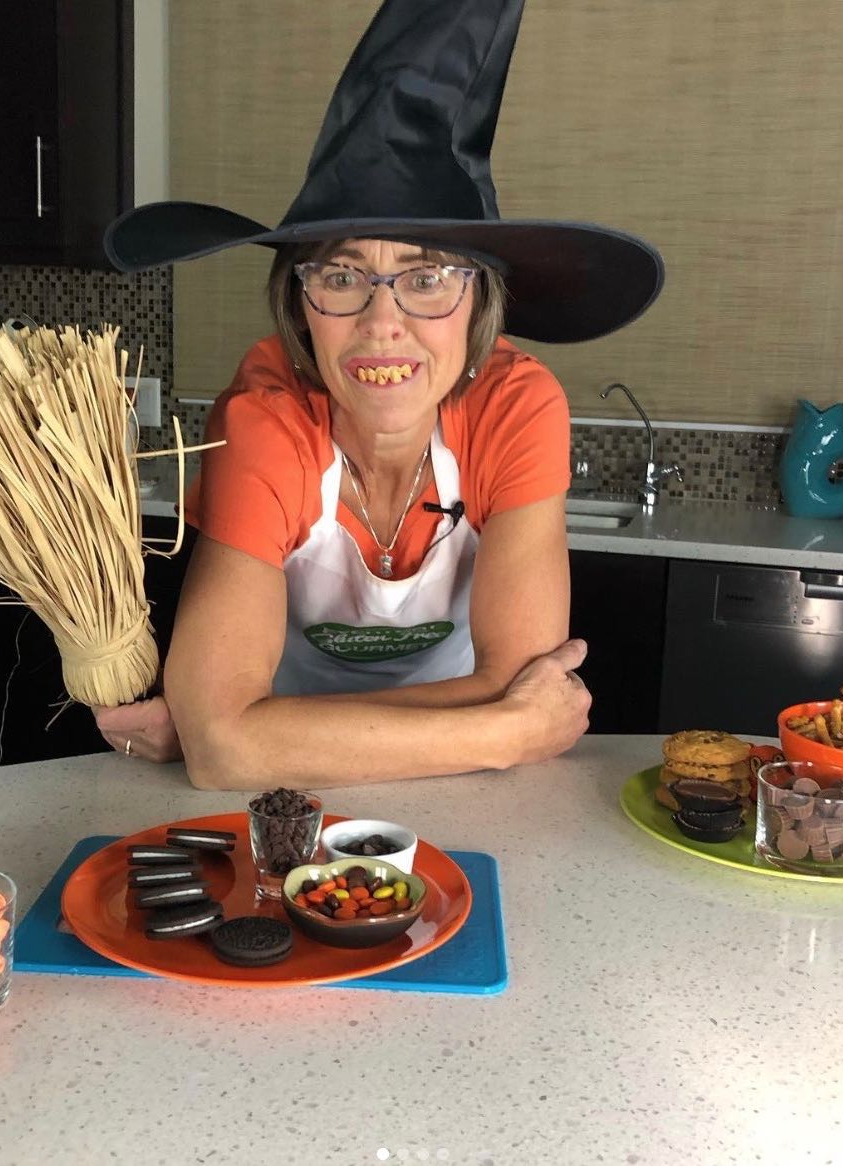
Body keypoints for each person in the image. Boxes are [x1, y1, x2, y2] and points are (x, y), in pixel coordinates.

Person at [95, 0, 663, 789]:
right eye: (341, 275)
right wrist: (505, 729)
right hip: (288, 804)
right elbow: (225, 753)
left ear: (481, 305)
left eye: (427, 277)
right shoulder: (265, 419)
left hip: (462, 792)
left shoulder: (517, 407)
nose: (381, 323)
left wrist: (248, 727)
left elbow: (230, 734)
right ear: (301, 303)